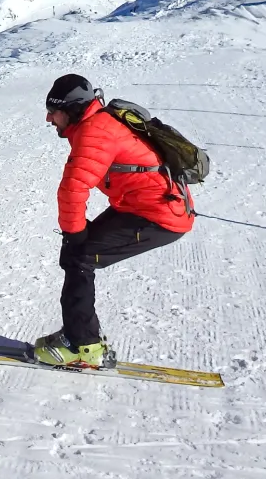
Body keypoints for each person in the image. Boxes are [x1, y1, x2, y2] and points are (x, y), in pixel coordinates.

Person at [35, 74, 195, 367]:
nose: (49, 119)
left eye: (53, 111)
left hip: (158, 215)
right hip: (144, 206)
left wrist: (73, 236)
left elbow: (72, 189)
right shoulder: (98, 121)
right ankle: (83, 336)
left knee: (79, 257)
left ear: (71, 110)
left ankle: (82, 345)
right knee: (78, 254)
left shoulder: (94, 132)